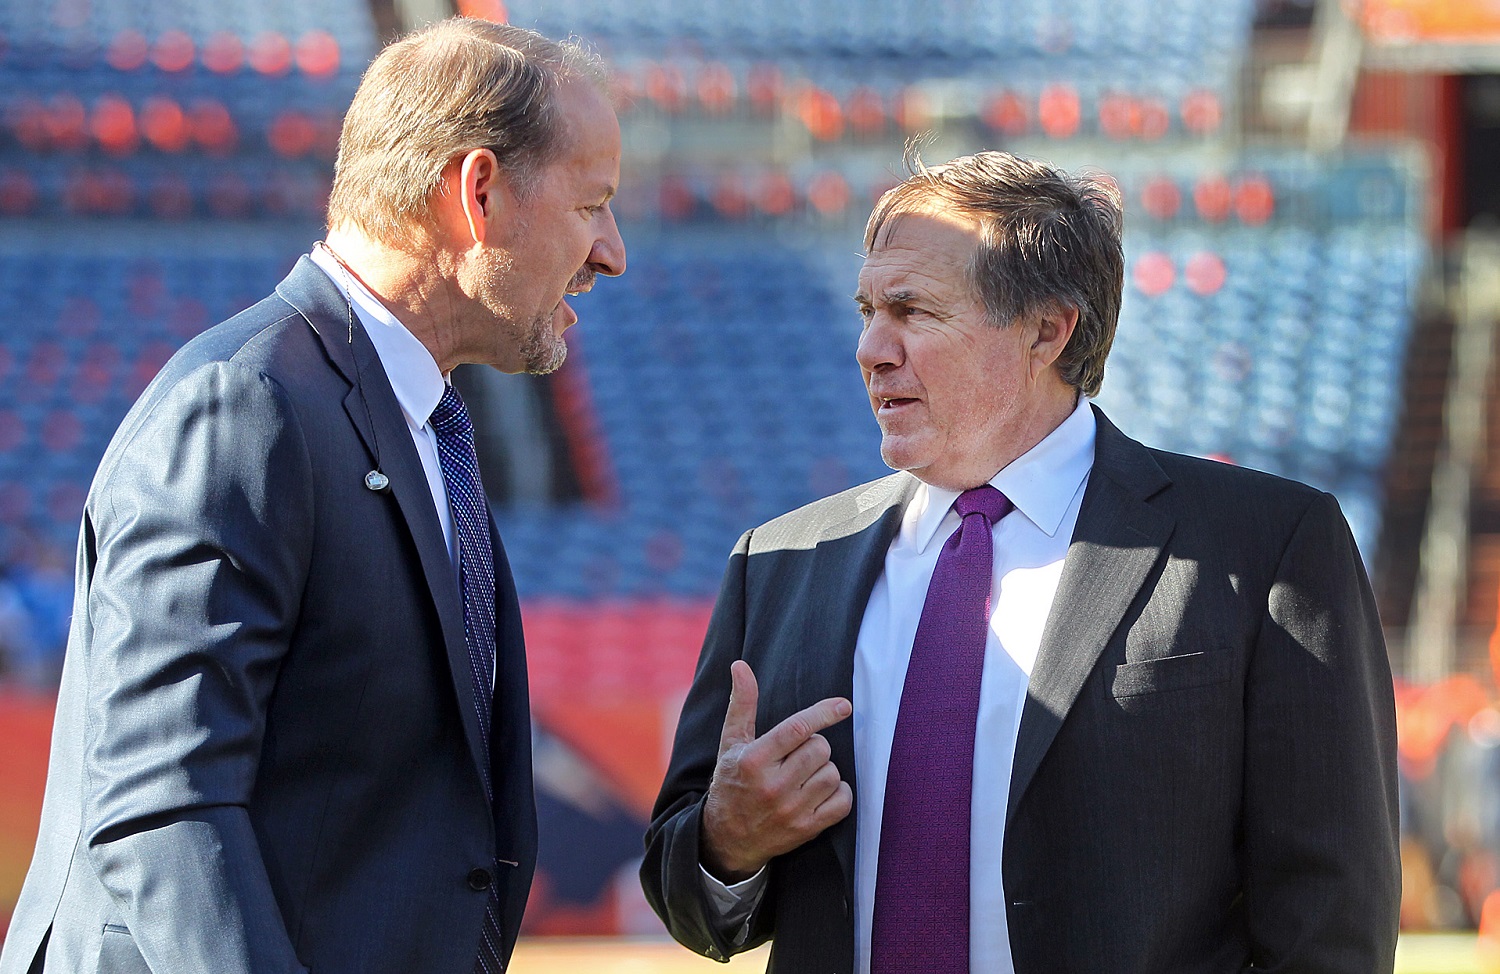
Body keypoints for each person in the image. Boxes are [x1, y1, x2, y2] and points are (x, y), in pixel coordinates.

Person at [641, 149, 1399, 974]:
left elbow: (1331, 919)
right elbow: (689, 892)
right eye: (867, 309)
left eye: (912, 310)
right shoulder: (782, 561)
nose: (870, 348)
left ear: (1047, 328)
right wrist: (727, 841)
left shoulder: (1267, 548)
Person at [1, 17, 624, 974]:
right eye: (593, 206)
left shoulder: (412, 421)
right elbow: (162, 802)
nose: (611, 252)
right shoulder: (246, 406)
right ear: (479, 192)